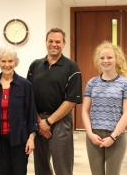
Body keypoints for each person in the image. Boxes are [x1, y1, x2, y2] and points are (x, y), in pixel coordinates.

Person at [27, 28, 82, 175]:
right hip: (38, 120)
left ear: (63, 44)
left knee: (62, 166)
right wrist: (39, 121)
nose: (54, 44)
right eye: (50, 41)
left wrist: (49, 122)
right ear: (46, 42)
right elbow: (29, 96)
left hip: (61, 122)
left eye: (58, 41)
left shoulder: (72, 67)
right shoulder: (35, 65)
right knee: (41, 166)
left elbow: (71, 101)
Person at [81, 41, 127, 175]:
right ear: (98, 60)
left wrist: (113, 137)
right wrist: (90, 134)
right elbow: (85, 111)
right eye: (102, 58)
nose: (105, 60)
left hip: (116, 136)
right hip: (94, 136)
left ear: (117, 59)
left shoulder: (126, 83)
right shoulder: (92, 83)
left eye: (109, 57)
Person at [0, 47, 38, 175]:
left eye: (10, 61)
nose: (7, 64)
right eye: (3, 61)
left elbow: (31, 113)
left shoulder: (25, 85)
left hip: (19, 139)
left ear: (15, 62)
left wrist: (31, 138)